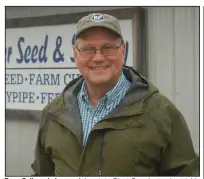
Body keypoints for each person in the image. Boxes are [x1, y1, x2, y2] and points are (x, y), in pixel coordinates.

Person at [31, 13, 200, 176]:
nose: (98, 58)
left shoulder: (162, 113)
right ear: (76, 54)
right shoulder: (53, 114)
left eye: (108, 48)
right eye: (88, 49)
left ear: (123, 50)